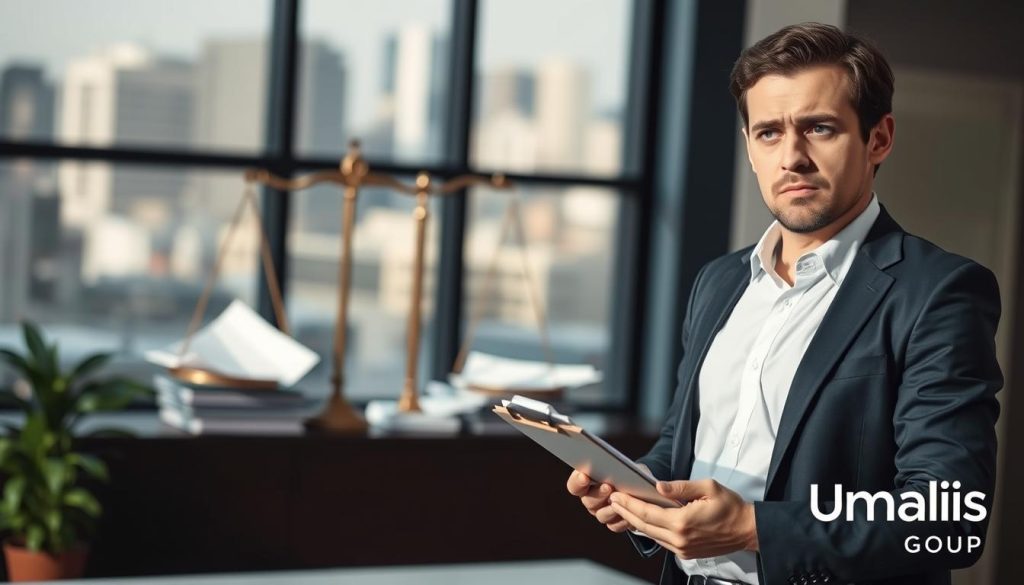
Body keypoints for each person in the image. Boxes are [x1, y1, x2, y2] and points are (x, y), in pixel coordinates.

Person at [567, 22, 1002, 585]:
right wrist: (638, 486)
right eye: (768, 133)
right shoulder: (720, 282)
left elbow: (949, 520)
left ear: (879, 139)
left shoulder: (939, 291)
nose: (791, 156)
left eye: (819, 128)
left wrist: (754, 528)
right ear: (750, 149)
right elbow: (684, 443)